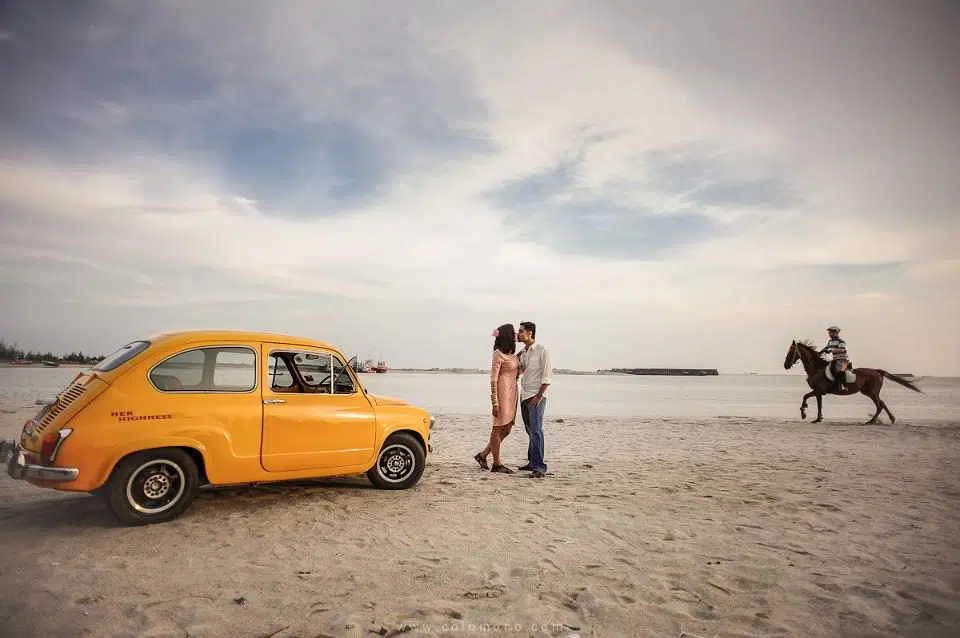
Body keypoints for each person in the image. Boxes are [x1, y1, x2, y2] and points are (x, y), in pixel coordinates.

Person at [475, 324, 520, 473]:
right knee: (498, 426)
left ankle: (483, 455)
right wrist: (495, 402)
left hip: (513, 392)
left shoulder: (513, 355)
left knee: (507, 428)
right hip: (502, 392)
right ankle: (496, 463)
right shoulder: (498, 354)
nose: (515, 335)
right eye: (513, 333)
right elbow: (493, 379)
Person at [517, 321, 552, 478]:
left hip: (536, 396)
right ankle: (532, 462)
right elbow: (521, 369)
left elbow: (547, 375)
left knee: (536, 430)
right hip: (524, 395)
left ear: (530, 333)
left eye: (521, 331)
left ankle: (539, 467)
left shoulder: (542, 349)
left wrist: (539, 395)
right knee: (529, 430)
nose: (518, 334)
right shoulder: (525, 352)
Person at [819, 325, 851, 392]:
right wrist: (819, 353)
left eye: (831, 332)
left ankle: (844, 386)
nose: (829, 334)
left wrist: (831, 350)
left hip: (843, 360)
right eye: (829, 333)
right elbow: (826, 348)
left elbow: (842, 349)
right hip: (835, 360)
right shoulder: (830, 341)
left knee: (839, 371)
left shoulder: (841, 341)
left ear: (836, 333)